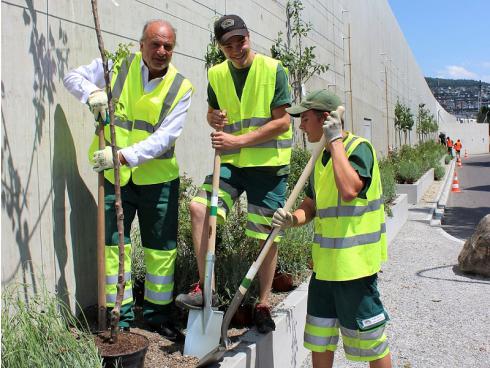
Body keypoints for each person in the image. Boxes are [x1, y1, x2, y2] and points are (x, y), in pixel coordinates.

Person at [63, 20, 194, 340]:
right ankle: (118, 315)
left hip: (158, 180)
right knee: (112, 246)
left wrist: (122, 156)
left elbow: (165, 138)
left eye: (167, 46)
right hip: (114, 178)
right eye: (155, 44)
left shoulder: (181, 87)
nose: (161, 51)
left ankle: (157, 315)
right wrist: (92, 92)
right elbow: (71, 77)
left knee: (160, 250)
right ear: (141, 45)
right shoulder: (118, 65)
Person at [175, 14, 292, 334]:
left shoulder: (273, 69)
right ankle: (207, 289)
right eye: (228, 44)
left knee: (264, 236)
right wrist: (212, 118)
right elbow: (215, 112)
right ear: (220, 47)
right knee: (199, 208)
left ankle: (263, 302)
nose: (236, 48)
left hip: (268, 167)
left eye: (240, 40)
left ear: (248, 36)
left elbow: (283, 122)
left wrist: (237, 139)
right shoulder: (216, 74)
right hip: (230, 164)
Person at [272, 89, 392, 367]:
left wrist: (336, 142)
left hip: (355, 271)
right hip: (324, 270)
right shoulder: (317, 160)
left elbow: (350, 189)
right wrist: (293, 219)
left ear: (326, 119)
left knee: (371, 343)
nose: (300, 126)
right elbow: (311, 205)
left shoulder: (357, 149)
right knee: (319, 340)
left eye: (304, 119)